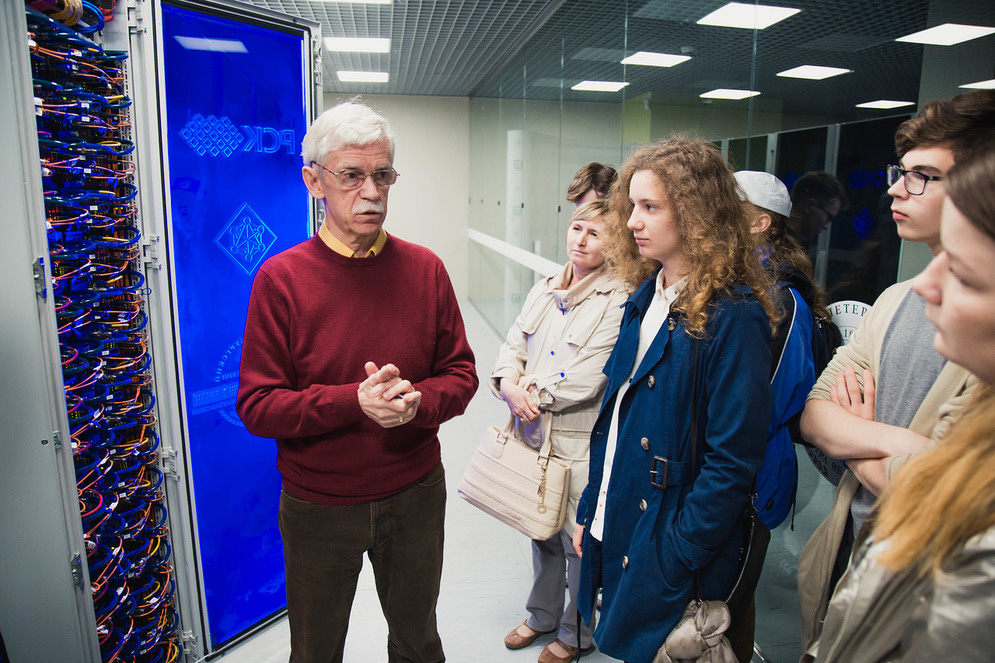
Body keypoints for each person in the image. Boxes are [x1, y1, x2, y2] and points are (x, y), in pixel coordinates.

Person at [236, 101, 478, 663]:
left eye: (383, 174)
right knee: (316, 650)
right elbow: (258, 406)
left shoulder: (426, 269)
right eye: (352, 176)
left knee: (418, 642)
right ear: (313, 180)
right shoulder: (281, 280)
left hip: (415, 493)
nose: (371, 192)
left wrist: (418, 402)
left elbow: (461, 375)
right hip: (319, 504)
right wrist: (356, 403)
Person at [797, 90, 995, 652]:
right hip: (852, 557)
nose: (895, 190)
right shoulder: (894, 300)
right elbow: (814, 415)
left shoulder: (978, 330)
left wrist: (855, 447)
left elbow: (956, 493)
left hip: (923, 589)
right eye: (899, 173)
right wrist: (899, 444)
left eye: (922, 176)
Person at [572, 139, 776, 663]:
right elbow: (616, 422)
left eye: (651, 207)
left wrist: (677, 554)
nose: (634, 222)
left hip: (668, 537)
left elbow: (732, 461)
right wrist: (591, 507)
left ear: (695, 212)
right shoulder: (644, 298)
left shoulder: (735, 315)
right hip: (621, 515)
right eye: (632, 206)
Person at [492, 199, 629, 663]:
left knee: (577, 542)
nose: (580, 239)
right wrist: (509, 385)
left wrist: (529, 394)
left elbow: (590, 376)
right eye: (576, 228)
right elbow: (513, 346)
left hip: (577, 441)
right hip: (533, 434)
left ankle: (575, 633)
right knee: (540, 532)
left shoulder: (620, 298)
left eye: (595, 233)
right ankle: (542, 615)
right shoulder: (545, 288)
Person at [734, 170, 836, 530]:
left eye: (730, 207)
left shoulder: (783, 298)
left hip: (749, 477)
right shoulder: (730, 280)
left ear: (760, 222)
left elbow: (771, 399)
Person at [787, 171, 846, 252]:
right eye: (829, 217)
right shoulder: (782, 247)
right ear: (809, 205)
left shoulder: (778, 238)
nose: (826, 227)